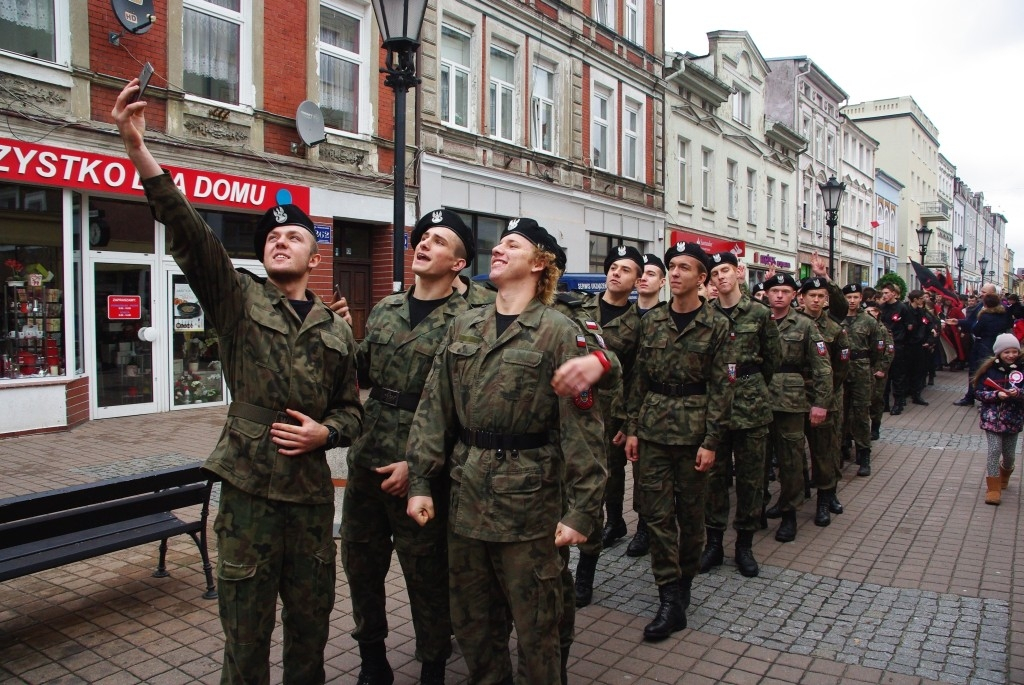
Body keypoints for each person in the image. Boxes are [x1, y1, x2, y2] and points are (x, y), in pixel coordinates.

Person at [112, 81, 364, 684]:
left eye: (294, 235)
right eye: (272, 237)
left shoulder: (335, 328)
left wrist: (325, 435)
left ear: (314, 255)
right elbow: (191, 235)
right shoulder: (236, 295)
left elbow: (353, 413)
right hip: (248, 491)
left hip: (308, 501)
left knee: (311, 632)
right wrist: (137, 148)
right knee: (245, 637)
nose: (281, 238)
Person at [405, 218, 606, 684]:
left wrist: (581, 512)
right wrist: (420, 481)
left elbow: (584, 431)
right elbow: (434, 409)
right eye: (497, 244)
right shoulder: (464, 324)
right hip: (466, 498)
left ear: (540, 263)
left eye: (511, 245)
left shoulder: (558, 330)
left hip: (531, 506)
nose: (497, 249)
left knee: (539, 627)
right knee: (474, 625)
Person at [341, 209, 476, 684]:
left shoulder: (470, 321)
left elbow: (464, 409)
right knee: (360, 563)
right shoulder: (386, 308)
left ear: (458, 263)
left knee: (427, 574)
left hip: (422, 469)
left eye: (439, 241)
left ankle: (433, 665)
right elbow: (362, 370)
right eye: (422, 237)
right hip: (368, 460)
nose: (424, 244)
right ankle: (372, 659)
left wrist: (419, 467)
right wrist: (338, 335)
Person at [624, 241, 734, 641]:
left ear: (702, 278)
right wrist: (633, 428)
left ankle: (684, 583)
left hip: (693, 435)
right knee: (655, 516)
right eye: (672, 266)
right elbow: (637, 379)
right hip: (653, 431)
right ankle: (668, 595)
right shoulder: (651, 321)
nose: (675, 273)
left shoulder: (718, 326)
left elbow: (723, 388)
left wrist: (712, 441)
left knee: (690, 517)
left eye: (684, 267)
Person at [700, 252, 780, 578]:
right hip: (716, 407)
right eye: (715, 273)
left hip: (751, 406)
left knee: (750, 478)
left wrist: (751, 383)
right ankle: (714, 544)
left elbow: (772, 360)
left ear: (739, 272)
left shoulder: (760, 313)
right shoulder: (705, 314)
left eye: (725, 271)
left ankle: (744, 545)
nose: (720, 277)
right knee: (714, 478)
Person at [574, 246, 643, 607]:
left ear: (636, 280)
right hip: (568, 414)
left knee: (596, 494)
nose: (616, 273)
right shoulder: (579, 308)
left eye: (626, 269)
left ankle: (585, 574)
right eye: (613, 267)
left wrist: (629, 423)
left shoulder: (638, 324)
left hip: (606, 419)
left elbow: (635, 379)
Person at [762, 273, 832, 543]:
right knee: (759, 459)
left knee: (791, 460)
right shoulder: (758, 320)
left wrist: (820, 403)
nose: (779, 295)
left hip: (791, 401)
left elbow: (822, 368)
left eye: (785, 291)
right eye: (774, 290)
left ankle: (789, 514)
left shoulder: (804, 326)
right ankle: (759, 507)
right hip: (757, 398)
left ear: (794, 296)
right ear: (767, 294)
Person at [623, 253, 666, 557]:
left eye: (652, 273)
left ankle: (645, 527)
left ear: (662, 282)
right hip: (617, 400)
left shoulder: (665, 317)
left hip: (649, 403)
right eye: (643, 273)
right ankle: (616, 521)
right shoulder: (624, 314)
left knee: (645, 471)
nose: (644, 278)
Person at [797, 276, 849, 527]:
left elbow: (840, 369)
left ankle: (825, 499)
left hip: (825, 398)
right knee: (794, 452)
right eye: (812, 296)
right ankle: (797, 495)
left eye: (821, 296)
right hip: (795, 396)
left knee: (825, 451)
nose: (816, 300)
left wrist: (825, 397)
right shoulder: (791, 322)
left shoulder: (834, 329)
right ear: (802, 298)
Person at [841, 284, 887, 477]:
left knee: (860, 413)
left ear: (861, 299)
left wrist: (872, 367)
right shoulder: (837, 318)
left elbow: (878, 348)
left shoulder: (869, 321)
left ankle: (864, 454)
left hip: (861, 370)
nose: (852, 301)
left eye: (855, 297)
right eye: (848, 297)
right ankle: (842, 448)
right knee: (841, 413)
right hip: (841, 370)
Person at [973, 333, 1024, 505]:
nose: (1011, 355)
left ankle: (1005, 472)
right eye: (1006, 352)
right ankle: (993, 488)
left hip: (1013, 419)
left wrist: (1018, 393)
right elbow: (978, 392)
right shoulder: (989, 370)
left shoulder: (1021, 370)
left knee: (1009, 455)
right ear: (999, 353)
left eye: (1014, 351)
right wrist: (996, 394)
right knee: (994, 451)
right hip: (992, 418)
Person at [950, 285, 1012, 407]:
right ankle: (970, 396)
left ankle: (987, 398)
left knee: (988, 371)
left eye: (984, 292)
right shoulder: (980, 306)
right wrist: (958, 321)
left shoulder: (1002, 310)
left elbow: (979, 327)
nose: (981, 294)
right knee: (973, 370)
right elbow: (970, 322)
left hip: (990, 345)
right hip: (978, 344)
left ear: (992, 293)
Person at [878, 283, 914, 415]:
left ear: (894, 293)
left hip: (898, 345)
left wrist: (902, 337)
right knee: (884, 375)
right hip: (884, 346)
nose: (884, 295)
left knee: (897, 376)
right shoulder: (881, 308)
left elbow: (910, 326)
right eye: (883, 293)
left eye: (887, 293)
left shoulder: (902, 308)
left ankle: (898, 403)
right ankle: (885, 403)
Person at [864, 301, 895, 442]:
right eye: (867, 311)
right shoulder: (864, 328)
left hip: (878, 370)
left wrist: (882, 369)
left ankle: (875, 428)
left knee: (876, 400)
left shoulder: (882, 330)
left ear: (878, 313)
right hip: (865, 370)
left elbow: (889, 351)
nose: (869, 314)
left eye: (872, 311)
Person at [905, 290, 938, 406]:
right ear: (915, 299)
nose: (923, 300)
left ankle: (916, 395)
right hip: (907, 345)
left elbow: (928, 324)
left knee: (918, 371)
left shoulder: (921, 312)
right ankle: (903, 396)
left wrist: (931, 331)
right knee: (906, 371)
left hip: (919, 346)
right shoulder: (906, 310)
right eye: (921, 298)